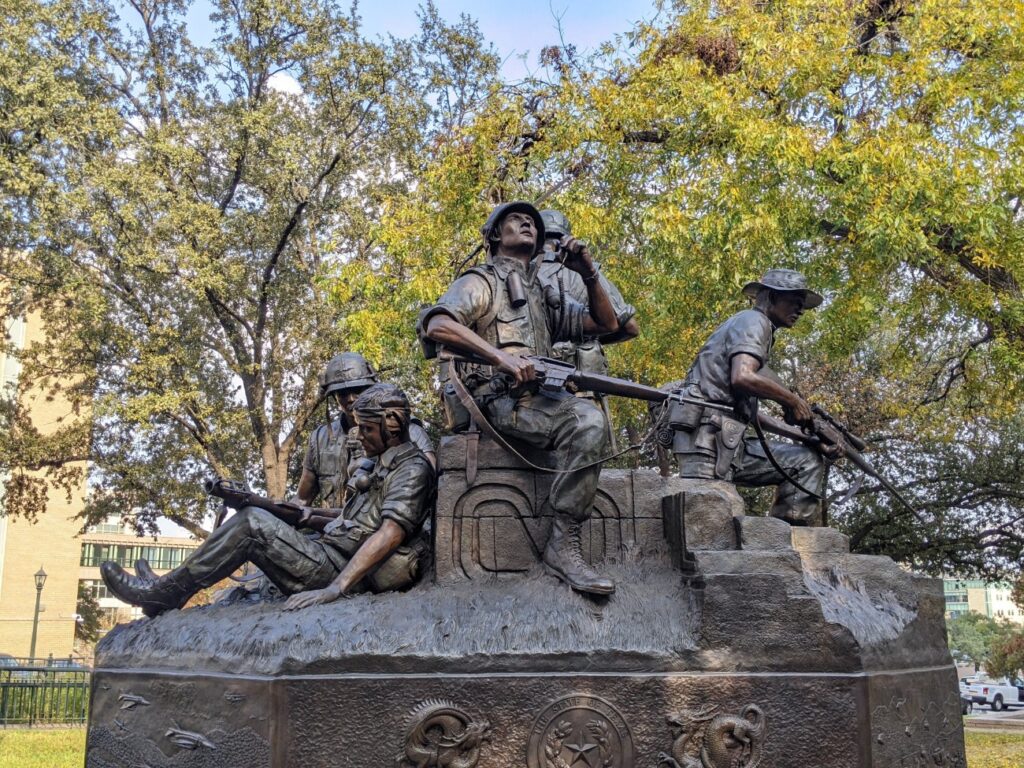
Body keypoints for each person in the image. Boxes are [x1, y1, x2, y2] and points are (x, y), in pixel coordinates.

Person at [419, 201, 620, 595]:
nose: (527, 222)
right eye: (515, 219)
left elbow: (606, 324)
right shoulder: (481, 281)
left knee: (590, 416)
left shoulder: (540, 294)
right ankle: (563, 546)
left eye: (532, 221)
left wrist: (589, 273)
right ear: (495, 235)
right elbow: (437, 323)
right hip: (498, 401)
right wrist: (501, 358)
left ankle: (563, 542)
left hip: (538, 401)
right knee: (587, 422)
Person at [100, 384, 435, 616]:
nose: (359, 436)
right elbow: (344, 518)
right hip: (330, 552)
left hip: (343, 571)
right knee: (253, 513)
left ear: (392, 427)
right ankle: (166, 587)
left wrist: (334, 589)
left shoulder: (412, 468)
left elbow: (389, 533)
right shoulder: (376, 463)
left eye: (367, 430)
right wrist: (264, 503)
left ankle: (164, 594)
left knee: (251, 525)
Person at [671, 269, 842, 526]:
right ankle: (791, 542)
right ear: (771, 297)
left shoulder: (751, 326)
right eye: (795, 302)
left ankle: (787, 543)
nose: (800, 310)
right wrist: (792, 400)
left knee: (806, 459)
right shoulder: (754, 322)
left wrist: (807, 437)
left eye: (802, 304)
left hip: (723, 438)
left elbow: (751, 414)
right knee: (707, 524)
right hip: (708, 442)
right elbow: (743, 377)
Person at [537, 209, 639, 446]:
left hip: (533, 389)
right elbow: (630, 327)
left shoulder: (520, 272)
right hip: (582, 388)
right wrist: (591, 334)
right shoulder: (586, 271)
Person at [298, 352, 435, 509]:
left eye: (358, 390)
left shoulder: (408, 431)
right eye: (342, 394)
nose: (350, 398)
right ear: (333, 396)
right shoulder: (319, 438)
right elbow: (302, 500)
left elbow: (429, 484)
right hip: (332, 526)